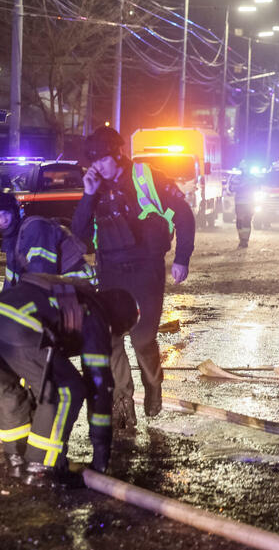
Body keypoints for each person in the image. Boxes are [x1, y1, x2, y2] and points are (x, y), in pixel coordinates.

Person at [0, 216, 138, 484]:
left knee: (9, 393)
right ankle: (40, 467)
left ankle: (17, 461)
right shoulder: (95, 315)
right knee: (67, 390)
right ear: (117, 320)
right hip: (20, 326)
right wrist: (101, 456)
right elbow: (98, 388)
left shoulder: (74, 293)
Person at [72, 126, 195, 428]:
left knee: (142, 339)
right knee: (111, 339)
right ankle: (122, 401)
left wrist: (182, 258)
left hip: (145, 270)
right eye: (93, 161)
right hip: (110, 272)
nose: (98, 166)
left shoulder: (146, 176)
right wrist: (88, 195)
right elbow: (79, 233)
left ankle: (153, 383)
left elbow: (184, 214)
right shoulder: (95, 187)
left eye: (102, 159)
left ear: (117, 154)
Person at [229, 165, 258, 249]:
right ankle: (242, 239)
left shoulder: (252, 178)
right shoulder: (237, 178)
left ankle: (244, 240)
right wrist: (242, 186)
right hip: (241, 203)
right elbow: (231, 188)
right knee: (240, 221)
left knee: (247, 221)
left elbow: (257, 187)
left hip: (248, 203)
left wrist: (244, 186)